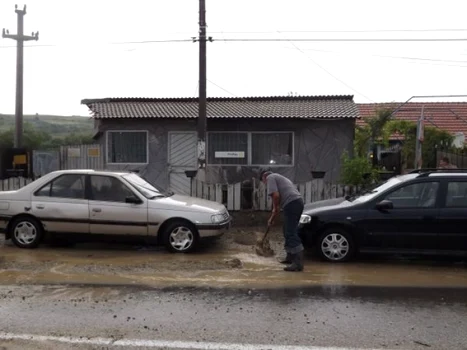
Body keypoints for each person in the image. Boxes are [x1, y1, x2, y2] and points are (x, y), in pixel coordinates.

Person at [260, 170, 305, 272]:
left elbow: (276, 196)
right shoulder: (280, 177)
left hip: (292, 204)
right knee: (287, 230)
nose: (266, 184)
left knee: (291, 232)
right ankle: (290, 257)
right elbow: (278, 202)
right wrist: (273, 217)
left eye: (264, 182)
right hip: (296, 203)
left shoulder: (270, 177)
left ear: (264, 177)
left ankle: (298, 263)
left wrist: (275, 209)